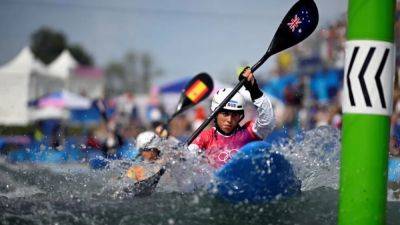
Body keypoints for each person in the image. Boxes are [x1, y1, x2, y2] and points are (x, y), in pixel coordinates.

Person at [188, 67, 276, 168]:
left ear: (240, 116)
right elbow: (189, 158)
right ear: (215, 114)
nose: (229, 120)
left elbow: (268, 122)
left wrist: (254, 90)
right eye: (225, 114)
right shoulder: (205, 137)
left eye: (234, 115)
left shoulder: (248, 132)